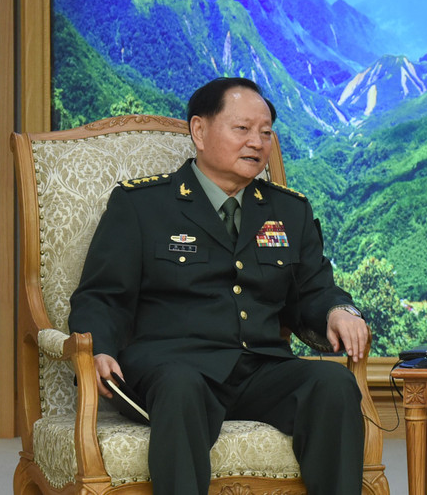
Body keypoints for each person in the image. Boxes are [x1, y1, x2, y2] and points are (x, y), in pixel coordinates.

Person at [68, 77, 368, 495]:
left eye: (265, 132)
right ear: (199, 131)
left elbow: (314, 290)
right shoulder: (141, 205)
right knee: (180, 386)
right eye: (242, 129)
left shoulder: (287, 210)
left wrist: (340, 311)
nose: (257, 143)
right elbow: (103, 295)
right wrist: (99, 347)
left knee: (333, 385)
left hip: (259, 368)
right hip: (175, 368)